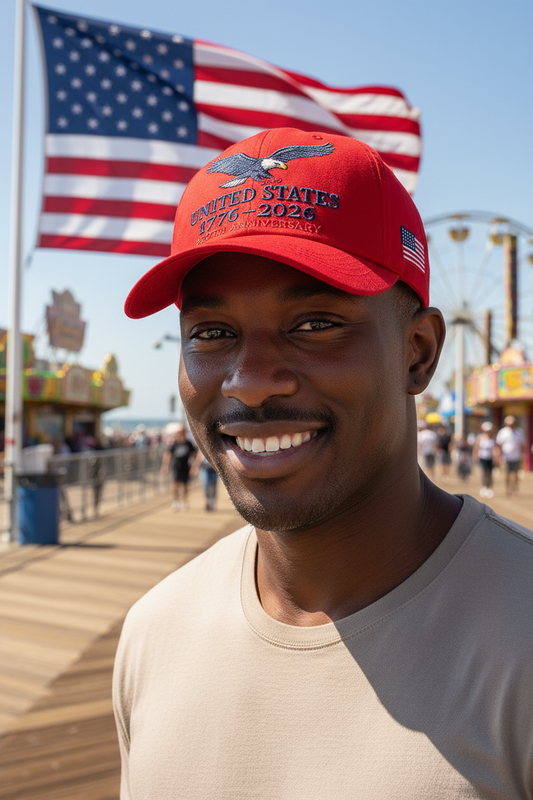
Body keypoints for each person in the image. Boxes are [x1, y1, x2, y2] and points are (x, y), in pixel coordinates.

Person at [114, 128, 533, 798]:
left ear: (417, 353)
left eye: (314, 324)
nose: (250, 381)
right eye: (211, 333)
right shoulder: (153, 633)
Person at [161, 424, 197, 510]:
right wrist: (165, 466)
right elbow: (167, 454)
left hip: (186, 467)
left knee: (185, 485)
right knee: (175, 485)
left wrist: (194, 467)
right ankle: (175, 502)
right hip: (176, 467)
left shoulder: (189, 444)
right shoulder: (175, 443)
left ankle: (184, 501)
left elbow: (194, 455)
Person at [496, 415, 525, 497]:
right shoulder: (502, 432)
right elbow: (499, 445)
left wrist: (522, 455)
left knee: (516, 474)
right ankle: (508, 489)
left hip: (516, 457)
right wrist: (499, 456)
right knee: (507, 474)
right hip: (506, 457)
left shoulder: (519, 432)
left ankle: (515, 489)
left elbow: (522, 445)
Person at [473, 421, 497, 498]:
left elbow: (496, 449)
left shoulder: (493, 438)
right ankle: (484, 486)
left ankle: (489, 487)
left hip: (491, 458)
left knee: (490, 473)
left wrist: (496, 457)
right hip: (483, 458)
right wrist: (475, 455)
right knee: (484, 472)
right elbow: (476, 447)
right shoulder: (480, 438)